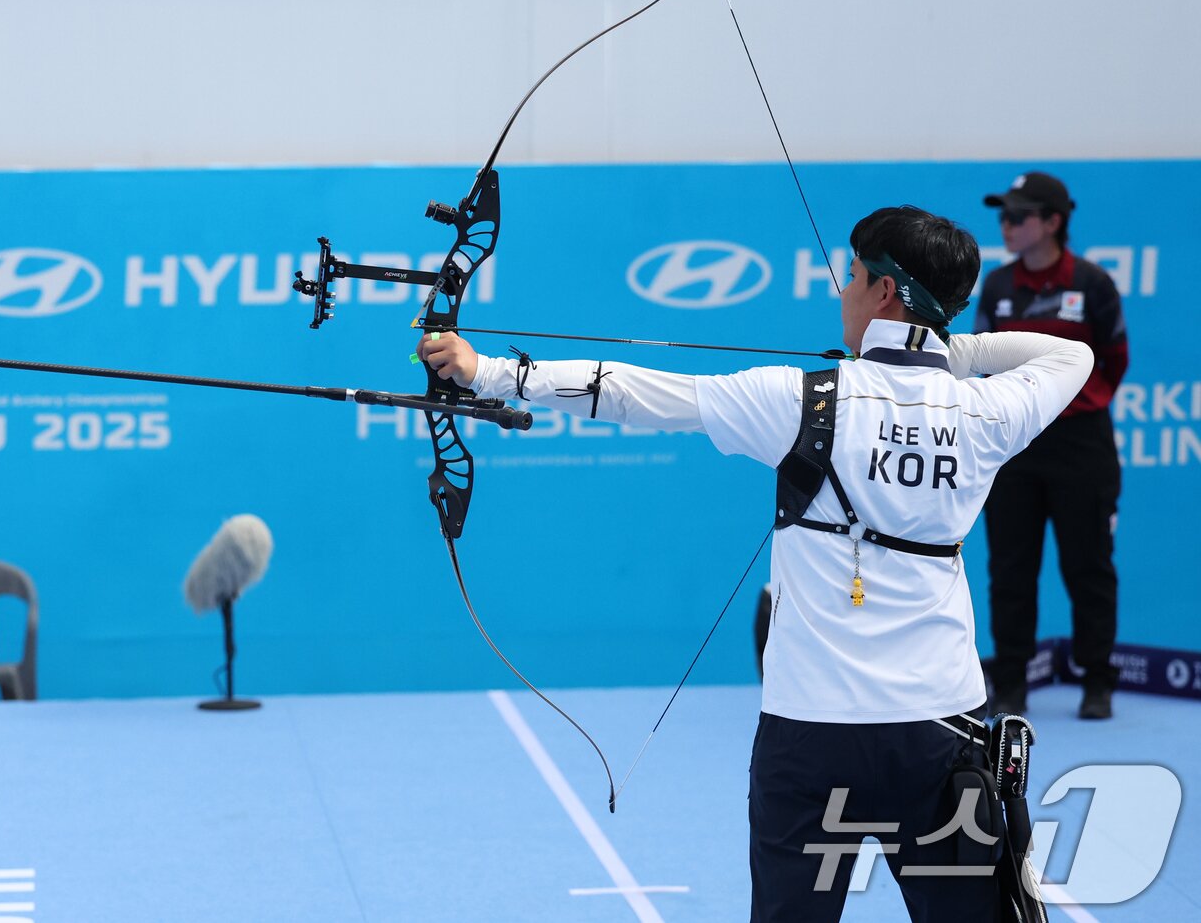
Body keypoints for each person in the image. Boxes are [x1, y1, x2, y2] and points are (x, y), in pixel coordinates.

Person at [417, 205, 1091, 922]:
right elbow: (1069, 356)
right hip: (939, 731)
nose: (844, 292)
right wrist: (942, 352)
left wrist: (485, 370)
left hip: (811, 735)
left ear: (886, 294)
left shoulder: (804, 401)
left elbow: (634, 392)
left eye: (855, 276)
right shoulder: (986, 411)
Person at [976, 172, 1127, 720]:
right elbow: (986, 363)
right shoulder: (996, 287)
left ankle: (1097, 679)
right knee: (1011, 566)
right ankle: (1011, 683)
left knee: (1088, 564)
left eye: (1017, 217)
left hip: (1080, 443)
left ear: (1053, 222)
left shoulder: (1092, 284)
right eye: (1002, 217)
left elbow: (1114, 360)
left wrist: (1073, 407)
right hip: (1016, 441)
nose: (1007, 227)